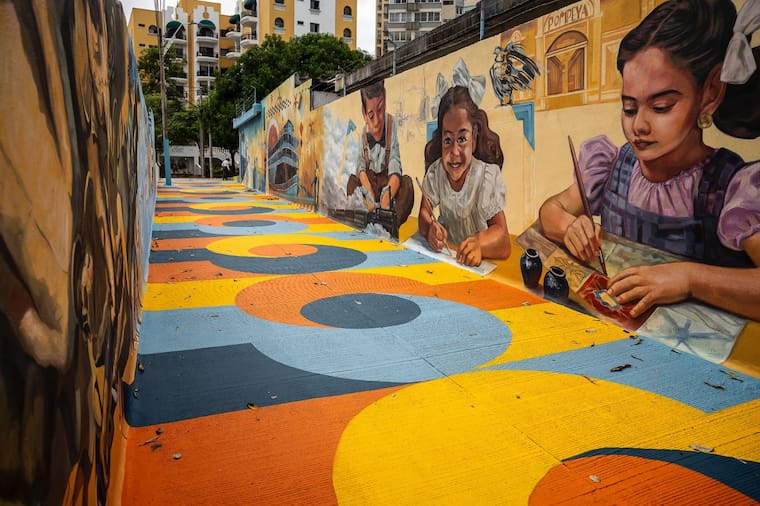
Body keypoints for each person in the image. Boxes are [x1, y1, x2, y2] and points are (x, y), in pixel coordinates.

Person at [539, 0, 760, 321]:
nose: (639, 126)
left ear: (710, 92)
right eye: (629, 108)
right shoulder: (613, 167)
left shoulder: (730, 190)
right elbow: (550, 211)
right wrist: (569, 227)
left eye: (661, 107)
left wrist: (689, 279)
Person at [419, 85, 511, 266]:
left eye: (462, 139)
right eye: (447, 140)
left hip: (474, 267)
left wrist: (479, 245)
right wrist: (430, 228)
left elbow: (503, 240)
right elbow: (424, 212)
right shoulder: (436, 173)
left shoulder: (485, 177)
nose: (454, 151)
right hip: (445, 260)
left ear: (474, 137)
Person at [346, 81, 414, 233]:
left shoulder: (391, 125)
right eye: (371, 116)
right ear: (364, 114)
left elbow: (395, 162)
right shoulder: (363, 135)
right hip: (370, 186)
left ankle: (390, 223)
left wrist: (387, 195)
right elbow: (360, 167)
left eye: (381, 110)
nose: (377, 121)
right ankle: (367, 218)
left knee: (407, 184)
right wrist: (368, 194)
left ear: (385, 100)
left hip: (387, 184)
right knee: (351, 182)